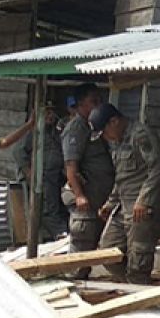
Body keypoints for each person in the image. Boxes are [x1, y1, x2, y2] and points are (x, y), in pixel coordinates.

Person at [93, 103, 160, 284]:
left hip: (140, 208)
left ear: (114, 122)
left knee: (139, 257)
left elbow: (157, 168)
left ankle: (139, 292)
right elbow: (122, 177)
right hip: (123, 205)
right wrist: (110, 204)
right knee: (107, 250)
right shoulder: (117, 142)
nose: (106, 138)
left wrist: (144, 200)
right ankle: (132, 286)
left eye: (105, 132)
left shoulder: (140, 135)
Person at [62, 82, 113, 264]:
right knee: (81, 250)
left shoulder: (93, 127)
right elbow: (71, 166)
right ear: (81, 104)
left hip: (99, 199)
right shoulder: (76, 128)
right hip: (86, 201)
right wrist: (79, 195)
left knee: (93, 249)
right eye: (93, 101)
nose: (98, 105)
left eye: (99, 100)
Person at [15, 101, 68, 240]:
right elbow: (19, 152)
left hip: (55, 177)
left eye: (51, 112)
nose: (50, 115)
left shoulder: (55, 132)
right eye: (46, 112)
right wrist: (28, 172)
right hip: (41, 178)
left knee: (55, 206)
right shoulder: (33, 132)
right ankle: (60, 233)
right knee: (48, 209)